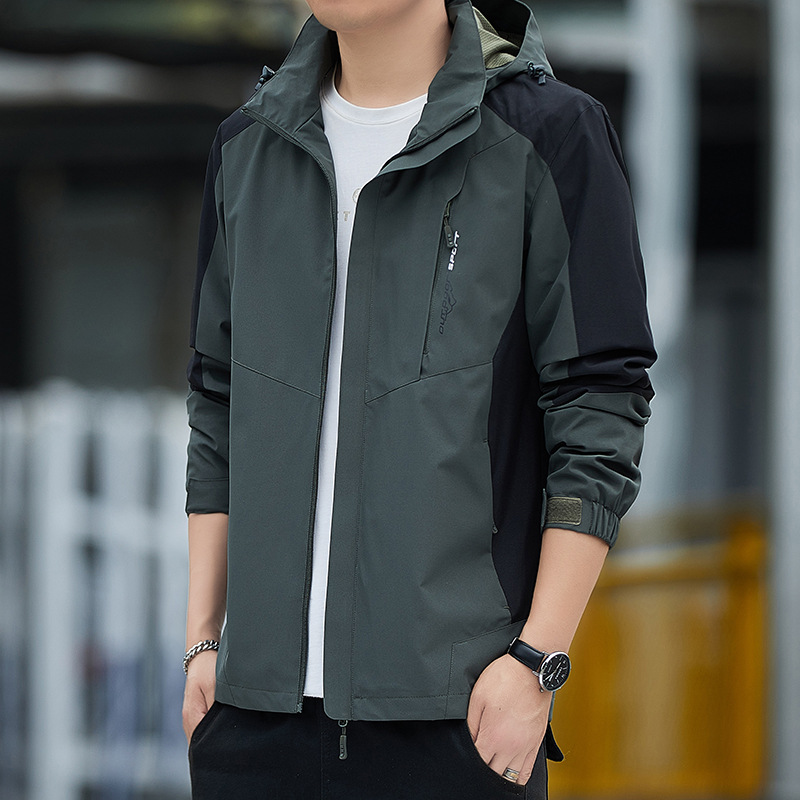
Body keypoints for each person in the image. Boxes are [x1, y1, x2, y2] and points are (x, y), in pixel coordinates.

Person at [181, 0, 656, 796]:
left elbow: (600, 402)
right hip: (250, 722)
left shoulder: (548, 136)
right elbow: (217, 399)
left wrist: (536, 662)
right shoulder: (246, 147)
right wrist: (202, 644)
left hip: (459, 719)